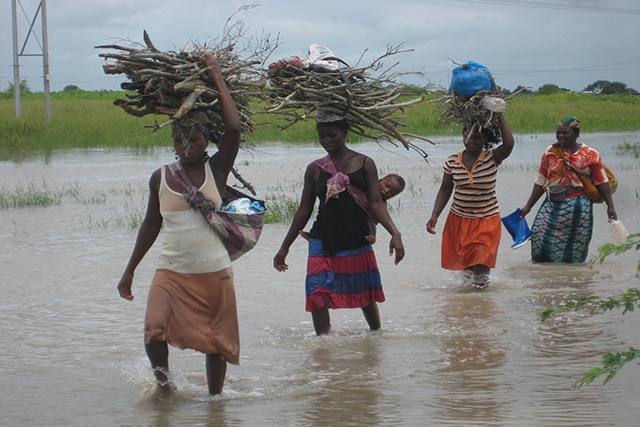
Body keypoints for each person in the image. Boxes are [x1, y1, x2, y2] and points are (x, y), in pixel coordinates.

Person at [117, 53, 242, 397]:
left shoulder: (216, 170)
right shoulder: (160, 177)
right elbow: (149, 225)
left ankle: (215, 401)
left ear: (206, 142)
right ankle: (165, 387)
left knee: (216, 340)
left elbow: (233, 128)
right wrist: (130, 270)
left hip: (213, 271)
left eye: (194, 140)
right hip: (171, 270)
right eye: (178, 140)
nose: (186, 146)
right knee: (154, 329)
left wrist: (217, 75)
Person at [273, 112, 405, 335]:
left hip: (356, 239)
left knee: (365, 294)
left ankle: (376, 339)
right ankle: (323, 348)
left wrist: (395, 233)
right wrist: (285, 246)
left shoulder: (365, 163)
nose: (326, 141)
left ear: (345, 133)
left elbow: (375, 203)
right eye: (322, 136)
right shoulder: (315, 169)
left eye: (332, 135)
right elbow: (304, 210)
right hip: (321, 240)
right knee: (317, 294)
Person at [426, 114, 514, 289]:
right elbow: (445, 189)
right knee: (466, 270)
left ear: (485, 139)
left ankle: (481, 305)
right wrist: (434, 215)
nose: (471, 141)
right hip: (459, 219)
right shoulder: (452, 161)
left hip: (487, 219)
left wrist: (499, 116)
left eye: (477, 137)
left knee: (481, 264)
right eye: (468, 136)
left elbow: (509, 144)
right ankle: (467, 309)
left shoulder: (492, 158)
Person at [519, 115, 617, 263]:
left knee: (574, 245)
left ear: (577, 134)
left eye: (565, 133)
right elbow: (541, 180)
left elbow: (601, 181)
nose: (561, 136)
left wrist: (610, 206)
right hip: (551, 203)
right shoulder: (550, 152)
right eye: (559, 132)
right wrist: (528, 207)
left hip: (578, 207)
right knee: (539, 235)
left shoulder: (590, 154)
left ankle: (571, 278)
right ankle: (542, 273)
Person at [298, 172, 406, 244]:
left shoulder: (381, 204)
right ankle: (312, 237)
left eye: (392, 193)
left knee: (369, 221)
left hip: (363, 222)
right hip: (348, 217)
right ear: (379, 180)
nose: (386, 191)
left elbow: (375, 216)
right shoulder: (365, 186)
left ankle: (371, 235)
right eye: (386, 185)